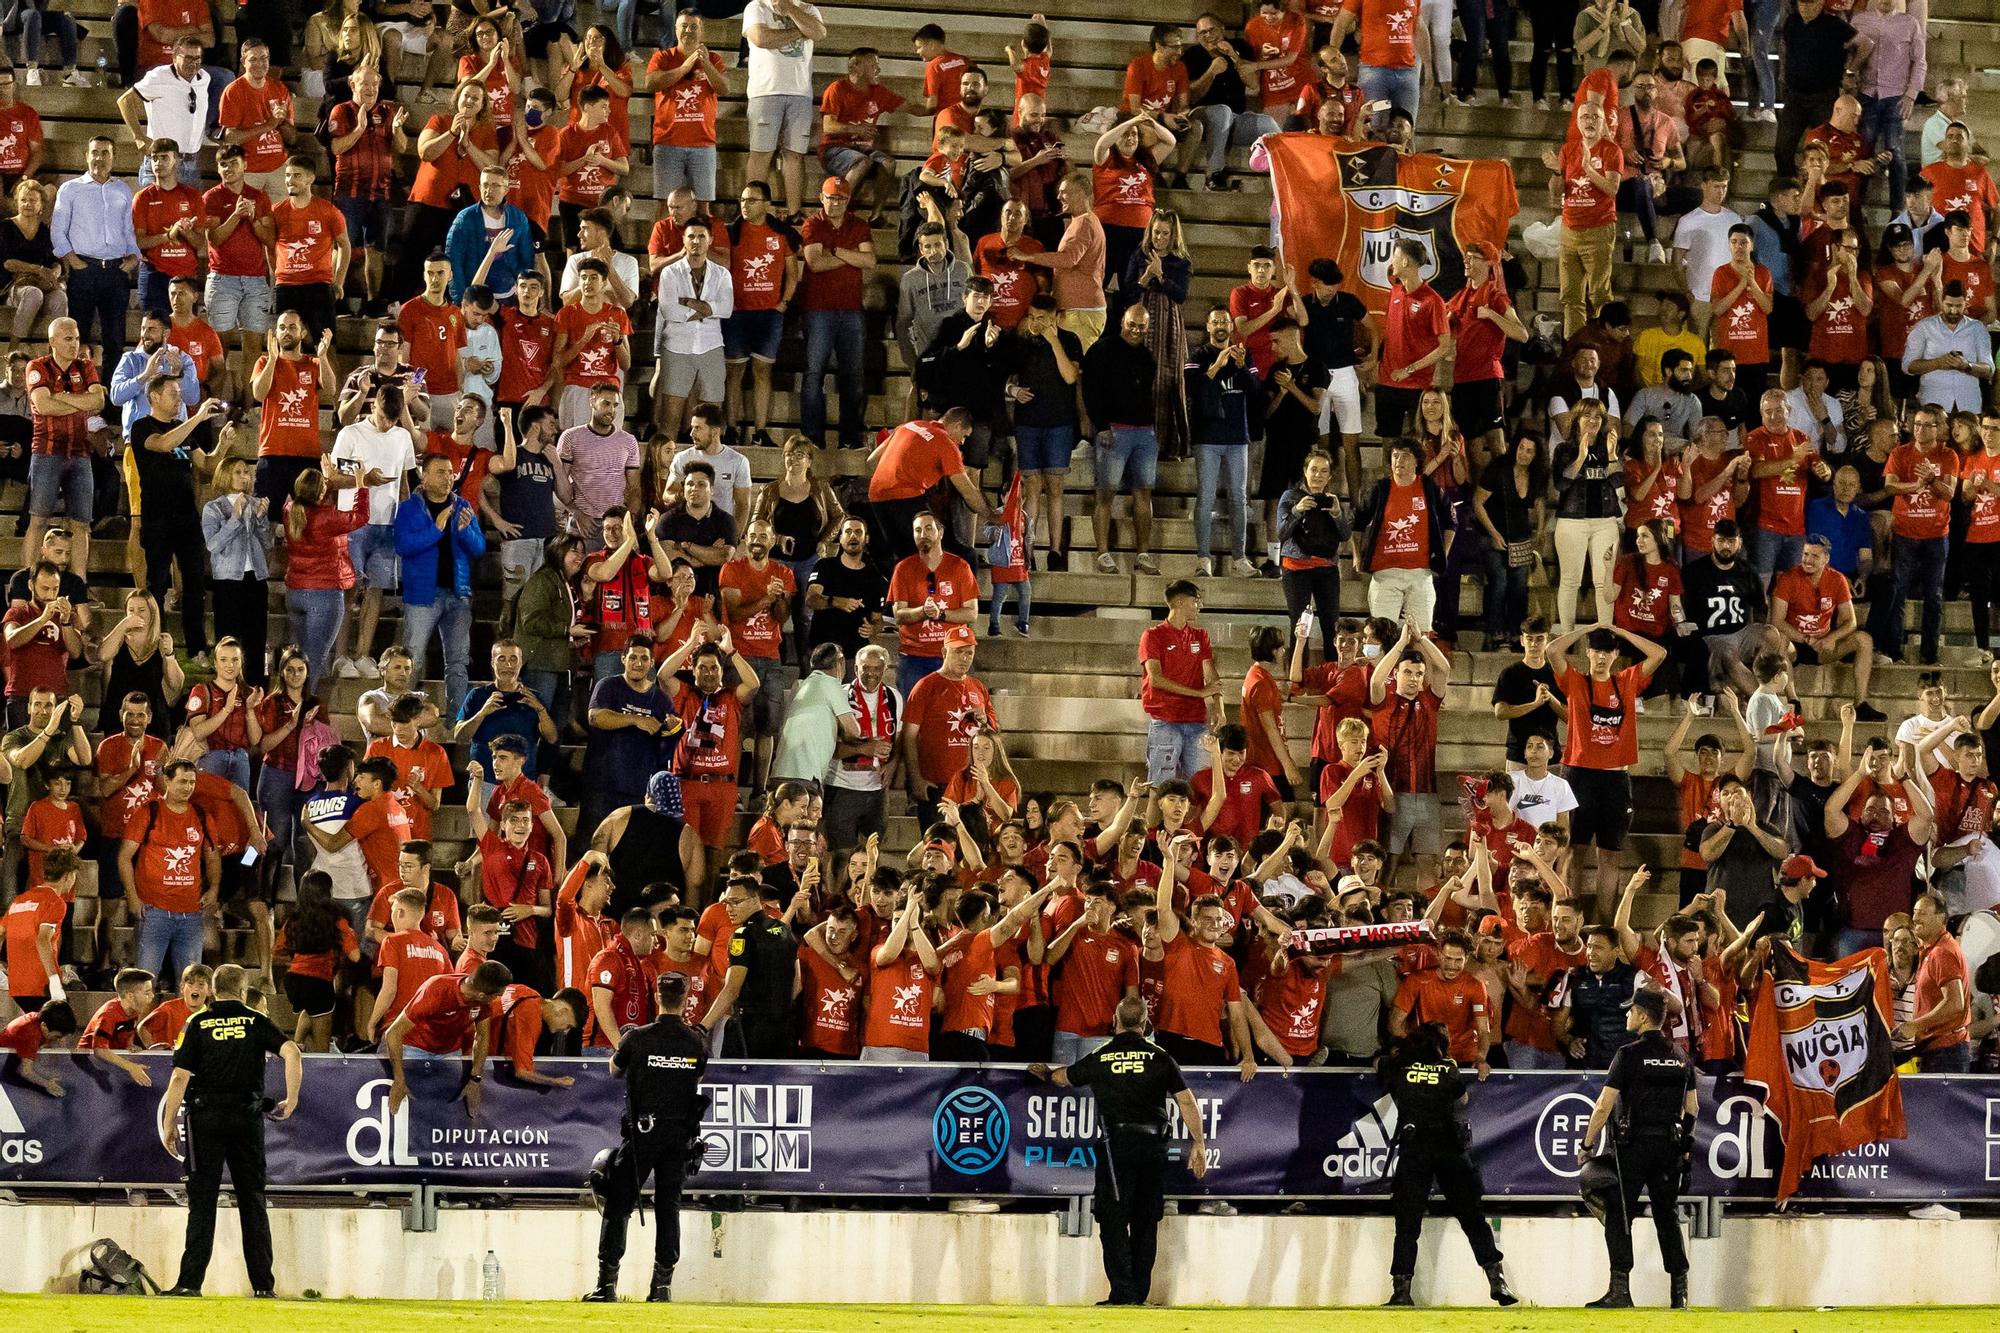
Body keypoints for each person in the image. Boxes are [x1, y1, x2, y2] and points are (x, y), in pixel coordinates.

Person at [1028, 994, 1208, 1307]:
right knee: (1145, 1220)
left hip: (1117, 1148)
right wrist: (1199, 1144)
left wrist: (1045, 1072)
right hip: (1153, 1146)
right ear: (1146, 1023)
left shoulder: (1102, 1054)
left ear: (1115, 1022)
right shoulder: (1160, 1056)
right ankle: (1138, 1295)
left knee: (1112, 1220)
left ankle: (1123, 1294)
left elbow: (1065, 1077)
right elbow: (1186, 1100)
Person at [156, 963, 303, 1299]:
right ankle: (264, 1287)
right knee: (252, 1200)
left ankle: (189, 1283)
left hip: (205, 1119)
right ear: (241, 989)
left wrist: (168, 1122)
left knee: (202, 1202)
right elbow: (291, 1051)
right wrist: (292, 1097)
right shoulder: (255, 1020)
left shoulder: (197, 1022)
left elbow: (180, 1077)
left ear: (212, 988)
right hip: (246, 1119)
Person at [583, 970, 708, 1303]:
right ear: (684, 999)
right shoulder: (695, 1041)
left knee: (618, 1203)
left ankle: (606, 1285)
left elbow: (614, 1069)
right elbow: (698, 1073)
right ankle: (661, 1287)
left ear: (656, 996)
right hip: (679, 1135)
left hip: (643, 1133)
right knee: (668, 1208)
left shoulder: (637, 1038)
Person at [1377, 1022, 1518, 1308]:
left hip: (1414, 1148)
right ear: (1441, 1044)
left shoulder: (1400, 1066)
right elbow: (1462, 1099)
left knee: (1407, 1224)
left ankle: (1401, 1291)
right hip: (1449, 1149)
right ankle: (1497, 1280)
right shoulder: (1448, 1067)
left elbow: (1379, 1067)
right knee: (1473, 1218)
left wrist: (1396, 1055)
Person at [1576, 987, 1698, 1310]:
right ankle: (1679, 1294)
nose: (1627, 1015)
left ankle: (1620, 1292)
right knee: (1667, 1217)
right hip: (1668, 1149)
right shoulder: (1681, 1056)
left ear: (1644, 1016)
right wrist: (1684, 1149)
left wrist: (1586, 1144)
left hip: (1632, 1149)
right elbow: (1693, 1108)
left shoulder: (1627, 1055)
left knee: (1619, 1214)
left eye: (1631, 1010)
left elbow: (1603, 1106)